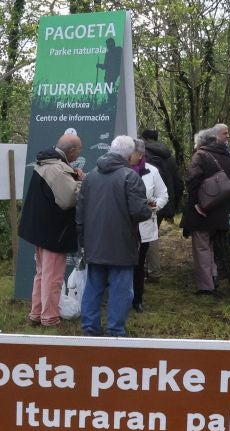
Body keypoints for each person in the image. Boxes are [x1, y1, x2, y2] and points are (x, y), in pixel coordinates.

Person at [75, 135, 151, 336]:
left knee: (93, 288)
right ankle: (115, 331)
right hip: (122, 243)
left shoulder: (90, 176)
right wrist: (148, 207)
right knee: (121, 290)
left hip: (94, 243)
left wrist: (83, 242)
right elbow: (139, 212)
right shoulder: (130, 177)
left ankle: (90, 329)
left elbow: (80, 213)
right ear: (129, 154)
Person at [17, 132, 86, 327]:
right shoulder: (57, 169)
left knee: (41, 274)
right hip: (53, 233)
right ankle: (50, 317)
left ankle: (36, 314)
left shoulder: (47, 163)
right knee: (53, 277)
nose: (79, 154)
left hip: (41, 231)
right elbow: (69, 200)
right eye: (78, 150)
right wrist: (82, 181)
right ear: (71, 151)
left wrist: (73, 176)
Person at [184, 126, 230, 295]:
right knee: (210, 246)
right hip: (221, 211)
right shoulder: (229, 159)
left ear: (200, 142)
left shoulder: (200, 156)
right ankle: (214, 277)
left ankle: (205, 286)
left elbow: (193, 180)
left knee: (201, 248)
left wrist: (195, 204)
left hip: (202, 210)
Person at [129, 138, 168, 312]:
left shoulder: (152, 171)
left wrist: (152, 207)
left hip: (144, 225)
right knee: (123, 263)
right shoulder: (120, 170)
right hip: (122, 225)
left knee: (138, 263)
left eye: (134, 153)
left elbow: (163, 195)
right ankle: (122, 296)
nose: (130, 156)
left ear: (140, 154)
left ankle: (137, 299)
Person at [140, 127, 182, 279]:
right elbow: (178, 182)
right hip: (162, 202)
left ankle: (148, 269)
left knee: (147, 235)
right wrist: (173, 205)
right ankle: (153, 270)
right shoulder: (168, 155)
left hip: (148, 202)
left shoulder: (144, 155)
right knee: (152, 234)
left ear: (143, 138)